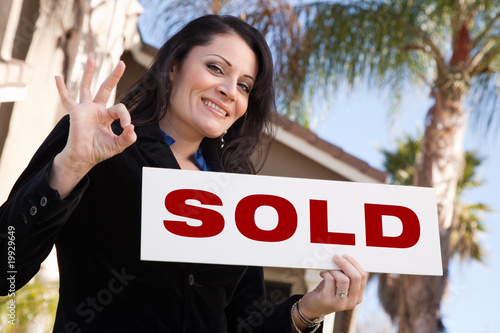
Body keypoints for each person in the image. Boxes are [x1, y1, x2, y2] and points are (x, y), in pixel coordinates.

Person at [0, 15, 367, 332]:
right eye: (216, 68)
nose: (228, 90)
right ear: (173, 65)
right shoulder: (92, 144)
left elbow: (244, 323)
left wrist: (308, 312)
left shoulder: (239, 196)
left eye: (244, 86)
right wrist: (71, 166)